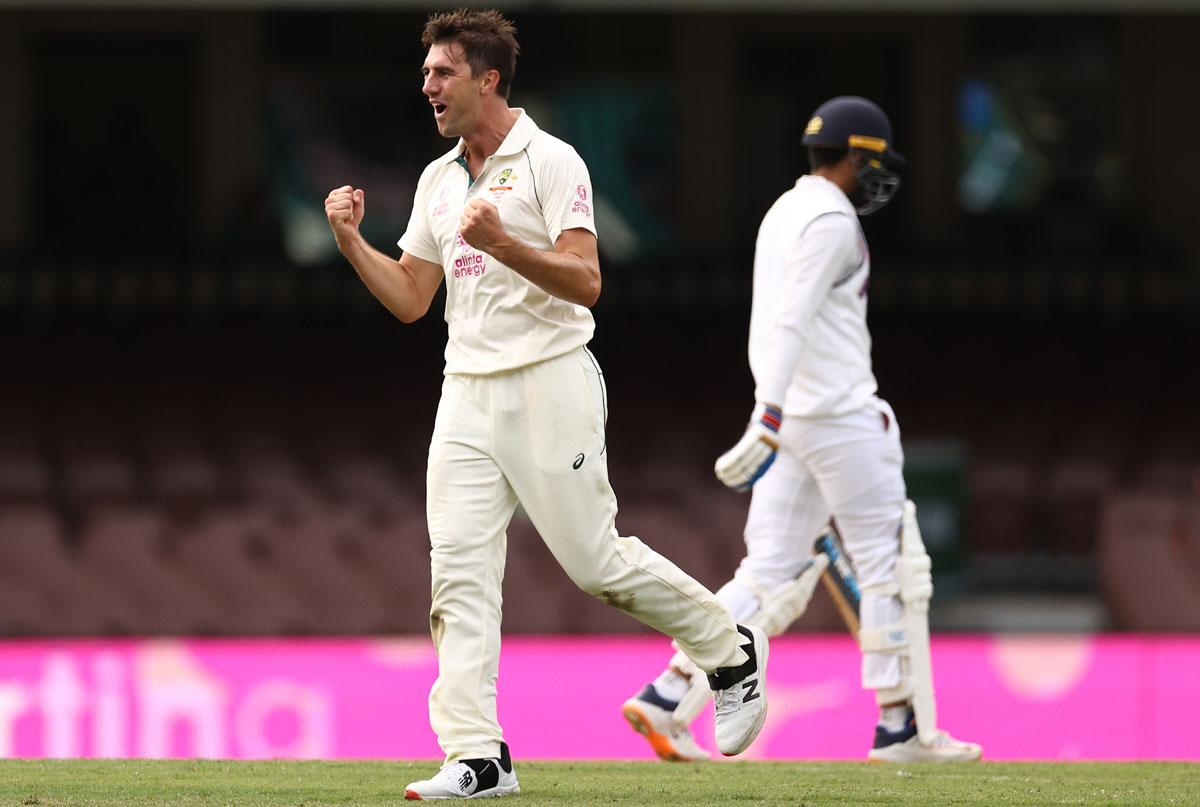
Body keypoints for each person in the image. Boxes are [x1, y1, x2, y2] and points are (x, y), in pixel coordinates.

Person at [323, 8, 769, 800]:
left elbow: (587, 278)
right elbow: (411, 299)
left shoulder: (551, 160)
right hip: (464, 391)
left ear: (487, 79)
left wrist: (503, 245)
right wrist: (354, 243)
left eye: (441, 72)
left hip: (549, 377)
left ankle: (728, 648)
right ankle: (478, 754)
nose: (426, 84)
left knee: (594, 562)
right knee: (457, 575)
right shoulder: (436, 179)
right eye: (425, 72)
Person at [621, 96, 982, 764]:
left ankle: (670, 692)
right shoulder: (832, 218)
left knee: (770, 575)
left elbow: (779, 322)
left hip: (794, 420)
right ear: (859, 156)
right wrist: (770, 409)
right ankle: (901, 727)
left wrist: (775, 411)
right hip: (837, 413)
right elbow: (790, 317)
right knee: (888, 567)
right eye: (876, 162)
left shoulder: (784, 210)